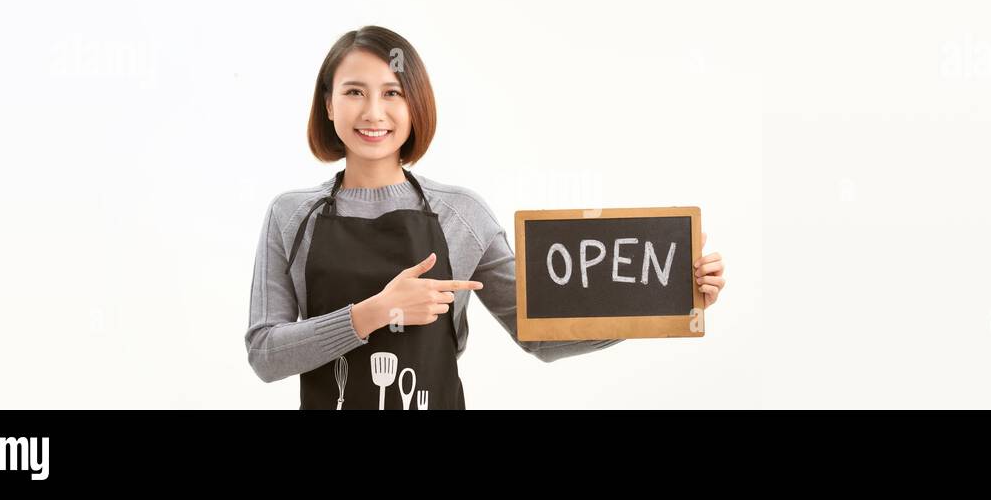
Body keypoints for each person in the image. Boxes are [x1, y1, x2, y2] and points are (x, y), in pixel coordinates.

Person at [245, 26, 727, 409]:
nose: (373, 112)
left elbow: (539, 331)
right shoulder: (291, 215)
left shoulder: (461, 214)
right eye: (354, 92)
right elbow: (265, 354)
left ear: (414, 105)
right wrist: (376, 312)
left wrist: (661, 296)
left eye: (392, 92)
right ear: (328, 104)